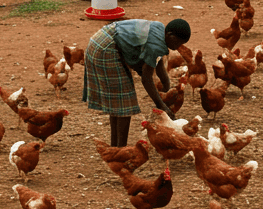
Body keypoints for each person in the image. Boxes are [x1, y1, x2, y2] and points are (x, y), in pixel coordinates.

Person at [81, 18, 190, 147]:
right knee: (125, 103)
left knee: (119, 102)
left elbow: (158, 60)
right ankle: (120, 150)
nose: (178, 47)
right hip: (105, 49)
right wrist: (161, 105)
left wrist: (166, 84)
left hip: (103, 39)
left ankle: (115, 148)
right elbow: (146, 78)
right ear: (170, 35)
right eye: (177, 42)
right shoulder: (155, 45)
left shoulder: (160, 29)